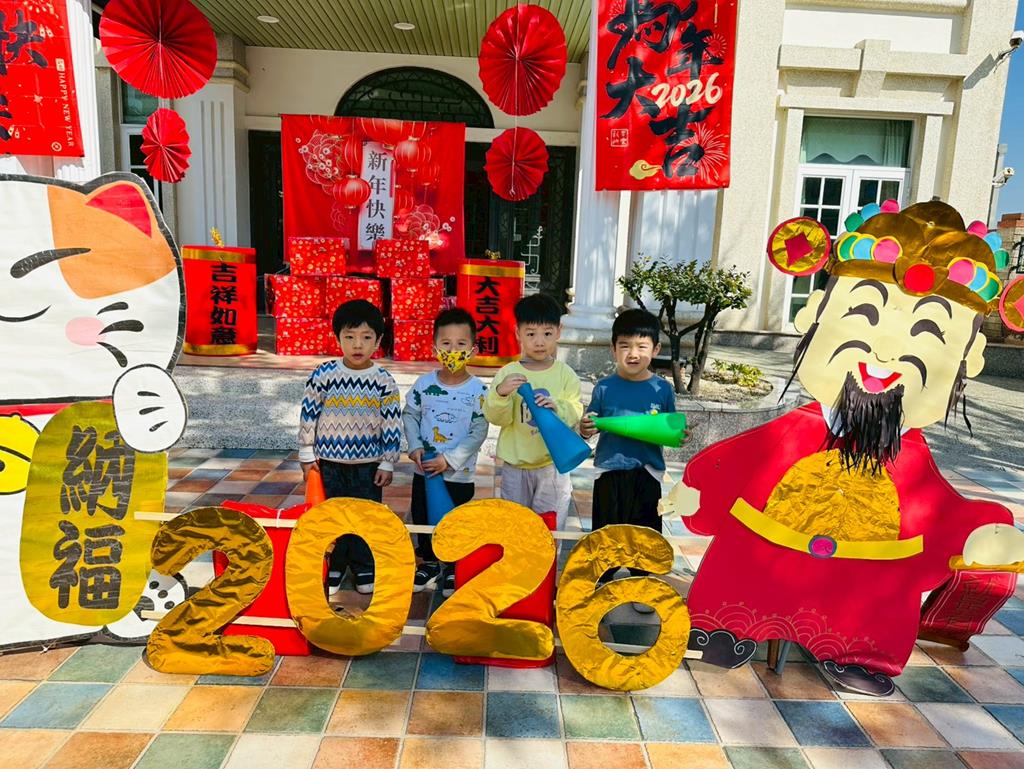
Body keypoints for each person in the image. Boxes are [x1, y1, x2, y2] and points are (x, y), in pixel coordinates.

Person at [664, 201, 1021, 696]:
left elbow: (935, 508)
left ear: (970, 357)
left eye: (927, 333)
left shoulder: (909, 459)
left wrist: (975, 532)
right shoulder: (797, 429)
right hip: (767, 553)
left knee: (879, 595)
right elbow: (743, 459)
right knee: (741, 568)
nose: (885, 353)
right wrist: (701, 486)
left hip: (860, 577)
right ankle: (726, 627)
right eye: (864, 315)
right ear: (814, 314)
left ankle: (859, 653)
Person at [299, 299, 401, 596]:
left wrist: (388, 461)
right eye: (350, 336)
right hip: (329, 462)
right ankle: (335, 564)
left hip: (369, 466)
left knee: (365, 516)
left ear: (378, 341)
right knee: (333, 514)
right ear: (338, 338)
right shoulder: (324, 374)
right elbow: (309, 413)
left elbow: (391, 422)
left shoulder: (384, 381)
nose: (358, 344)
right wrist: (306, 452)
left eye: (366, 337)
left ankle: (363, 564)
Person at [580, 309, 676, 613]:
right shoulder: (604, 387)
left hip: (647, 471)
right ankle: (604, 576)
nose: (633, 354)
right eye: (625, 346)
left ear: (656, 349)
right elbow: (591, 424)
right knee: (607, 526)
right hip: (610, 468)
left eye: (641, 347)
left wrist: (679, 434)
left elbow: (670, 429)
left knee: (645, 529)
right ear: (613, 349)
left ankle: (641, 581)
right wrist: (585, 427)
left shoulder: (663, 389)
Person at [403, 307, 488, 597]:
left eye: (461, 344)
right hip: (424, 470)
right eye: (446, 344)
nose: (453, 351)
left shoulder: (478, 391)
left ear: (473, 350)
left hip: (459, 474)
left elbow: (479, 430)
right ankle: (428, 561)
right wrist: (415, 446)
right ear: (434, 348)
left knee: (457, 519)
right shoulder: (424, 385)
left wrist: (450, 460)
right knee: (422, 514)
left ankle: (453, 564)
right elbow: (410, 415)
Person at [483, 293, 583, 530]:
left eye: (547, 334)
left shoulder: (565, 374)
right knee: (515, 525)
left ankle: (548, 556)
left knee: (549, 525)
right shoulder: (507, 373)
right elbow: (496, 417)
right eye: (531, 334)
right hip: (515, 467)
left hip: (552, 466)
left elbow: (576, 410)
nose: (539, 342)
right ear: (518, 333)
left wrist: (558, 407)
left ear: (558, 332)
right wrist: (501, 394)